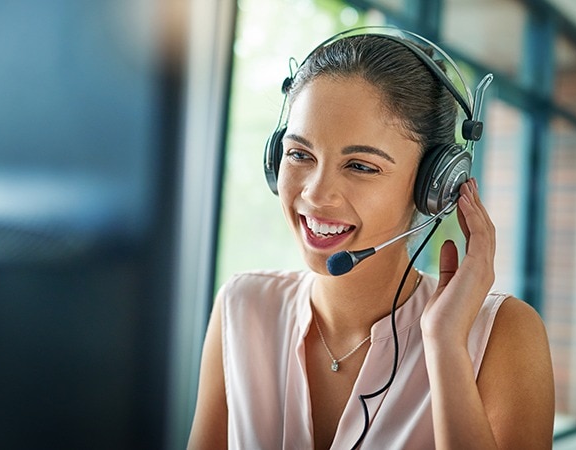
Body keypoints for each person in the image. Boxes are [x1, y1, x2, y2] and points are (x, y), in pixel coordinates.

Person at [189, 27, 554, 449]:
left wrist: (446, 345)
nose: (315, 194)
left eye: (361, 166)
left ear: (435, 186)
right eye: (299, 154)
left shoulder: (503, 334)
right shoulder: (243, 306)